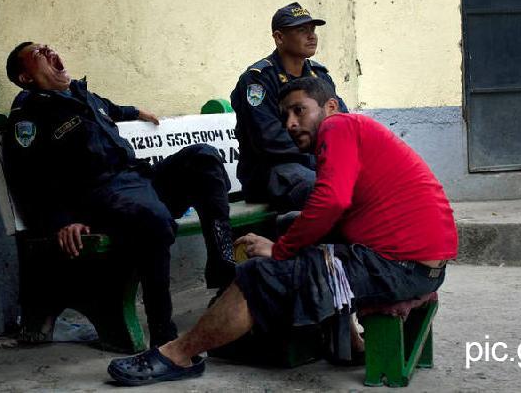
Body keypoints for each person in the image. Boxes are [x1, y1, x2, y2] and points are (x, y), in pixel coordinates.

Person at [107, 76, 458, 386]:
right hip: (418, 267)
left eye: (299, 111)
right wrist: (290, 243)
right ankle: (349, 341)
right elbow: (336, 211)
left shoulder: (338, 127)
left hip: (397, 267)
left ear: (330, 106)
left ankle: (177, 354)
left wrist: (280, 250)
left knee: (259, 274)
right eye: (285, 116)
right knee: (297, 231)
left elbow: (331, 201)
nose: (290, 124)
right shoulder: (357, 132)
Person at [2, 42, 235, 347]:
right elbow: (28, 179)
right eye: (37, 55)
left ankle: (223, 269)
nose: (48, 51)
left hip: (137, 181)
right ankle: (164, 336)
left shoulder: (81, 94)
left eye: (48, 48)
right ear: (25, 78)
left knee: (203, 158)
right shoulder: (30, 115)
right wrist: (63, 221)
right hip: (100, 198)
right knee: (155, 220)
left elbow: (109, 109)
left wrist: (136, 111)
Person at [230, 1, 348, 211]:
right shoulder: (258, 80)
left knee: (372, 179)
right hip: (273, 170)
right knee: (320, 188)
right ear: (279, 37)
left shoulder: (319, 76)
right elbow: (268, 138)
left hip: (315, 163)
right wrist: (318, 157)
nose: (311, 36)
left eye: (312, 30)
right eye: (302, 30)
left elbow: (342, 123)